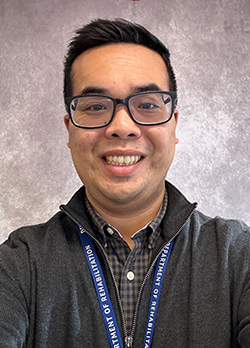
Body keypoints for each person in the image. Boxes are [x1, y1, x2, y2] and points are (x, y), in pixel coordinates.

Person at [0, 18, 250, 348]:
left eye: (146, 105)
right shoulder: (20, 264)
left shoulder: (239, 255)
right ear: (70, 130)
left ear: (173, 126)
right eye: (95, 107)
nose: (122, 126)